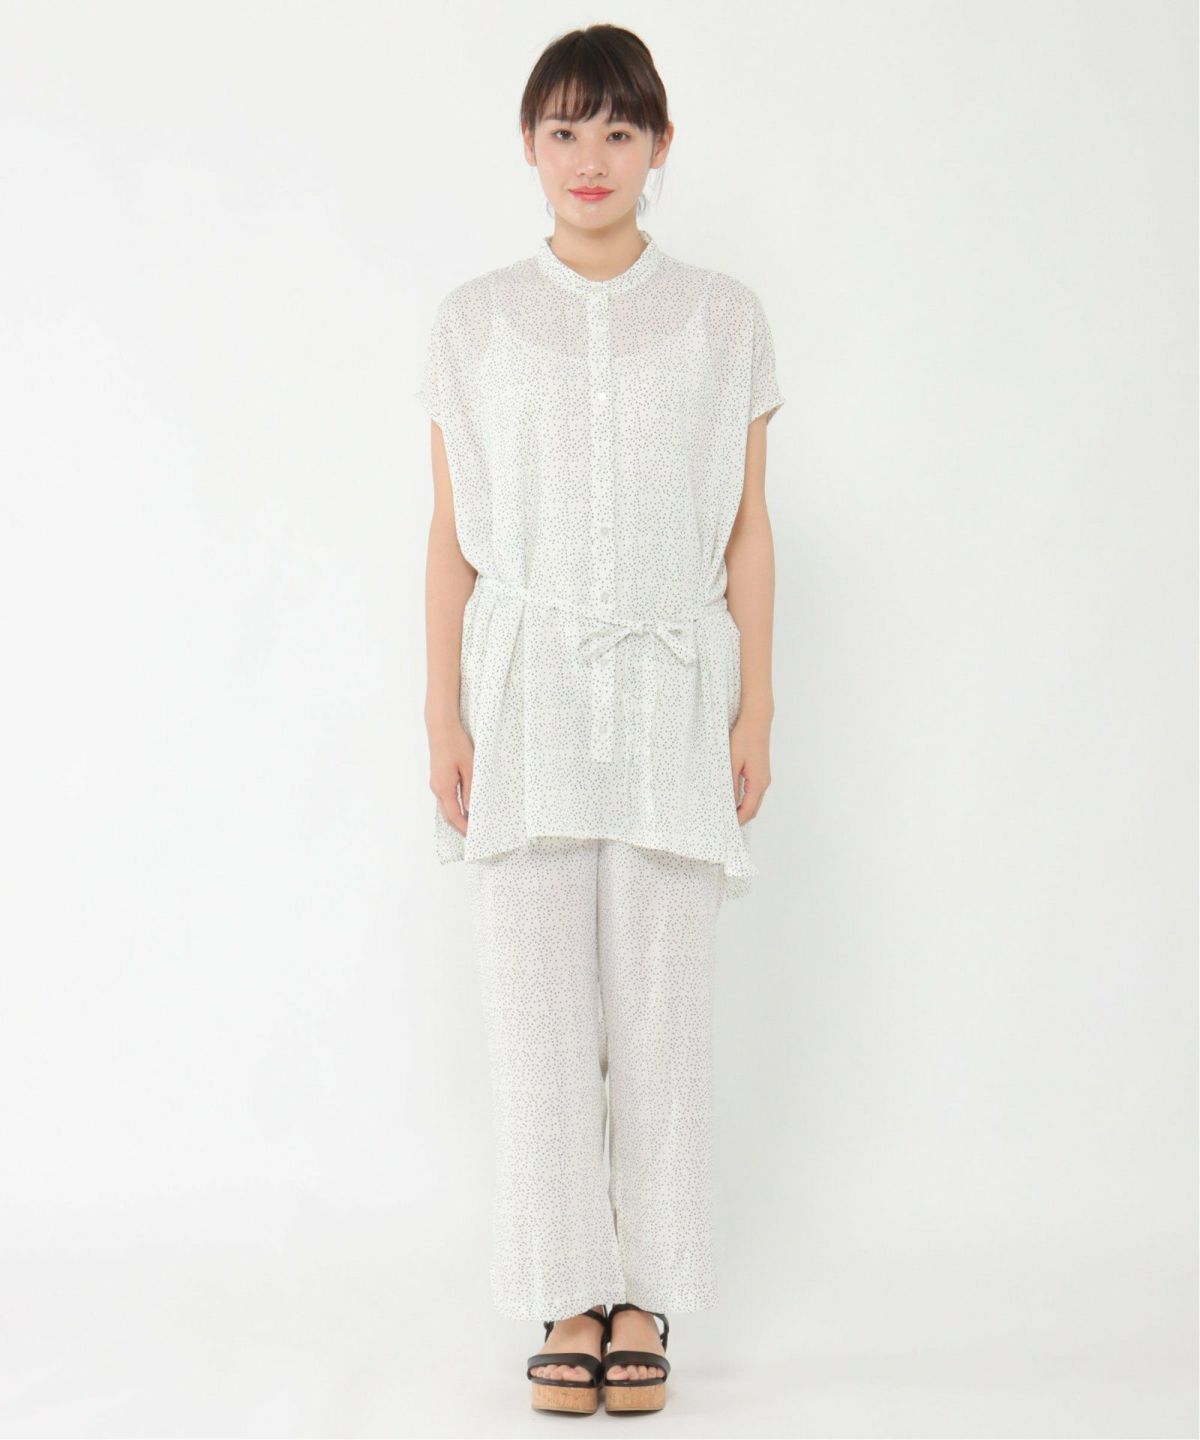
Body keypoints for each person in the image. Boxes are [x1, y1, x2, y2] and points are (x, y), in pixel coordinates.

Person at [418, 23, 784, 1416]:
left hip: (673, 688)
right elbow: (450, 535)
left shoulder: (724, 317)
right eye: (565, 131)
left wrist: (757, 705)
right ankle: (566, 1291)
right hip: (522, 698)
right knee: (536, 1017)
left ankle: (651, 1292)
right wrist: (441, 713)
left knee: (666, 1009)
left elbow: (749, 529)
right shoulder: (472, 322)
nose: (591, 158)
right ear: (529, 145)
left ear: (660, 145)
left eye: (618, 131)